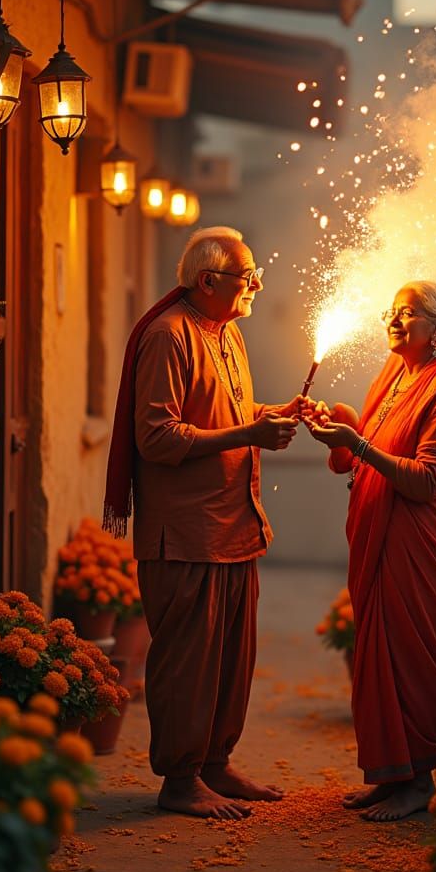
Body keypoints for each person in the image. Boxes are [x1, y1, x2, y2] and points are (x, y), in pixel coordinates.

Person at [103, 226, 310, 820]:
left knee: (230, 661)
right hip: (187, 534)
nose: (256, 286)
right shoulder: (170, 337)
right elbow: (158, 436)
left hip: (235, 527)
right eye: (248, 277)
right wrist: (249, 434)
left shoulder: (227, 333)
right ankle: (181, 778)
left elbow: (225, 411)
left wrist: (273, 414)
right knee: (188, 665)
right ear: (208, 280)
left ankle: (215, 764)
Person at [307, 281, 436, 821]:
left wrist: (357, 444)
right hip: (385, 537)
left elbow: (428, 480)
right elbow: (363, 457)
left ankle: (419, 783)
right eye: (390, 311)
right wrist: (339, 429)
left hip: (428, 541)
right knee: (378, 655)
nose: (393, 320)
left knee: (415, 659)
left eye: (408, 313)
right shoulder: (393, 380)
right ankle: (393, 779)